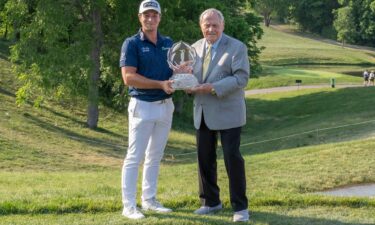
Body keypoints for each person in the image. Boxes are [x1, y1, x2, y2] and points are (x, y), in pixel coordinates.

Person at [188, 8, 250, 222]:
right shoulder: (193, 48)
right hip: (203, 112)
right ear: (201, 26)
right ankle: (211, 202)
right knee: (204, 159)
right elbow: (190, 77)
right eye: (207, 25)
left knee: (232, 159)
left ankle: (240, 208)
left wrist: (213, 87)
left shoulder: (236, 47)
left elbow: (241, 78)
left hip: (229, 112)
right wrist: (185, 84)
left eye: (215, 25)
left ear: (223, 26)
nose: (211, 29)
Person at [119, 0, 175, 220]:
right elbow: (128, 77)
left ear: (160, 17)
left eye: (154, 15)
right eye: (146, 15)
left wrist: (180, 77)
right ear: (139, 17)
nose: (150, 18)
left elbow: (175, 70)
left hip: (165, 106)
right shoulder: (131, 43)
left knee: (155, 156)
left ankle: (149, 200)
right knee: (135, 156)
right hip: (142, 106)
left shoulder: (168, 43)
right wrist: (160, 84)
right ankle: (129, 206)